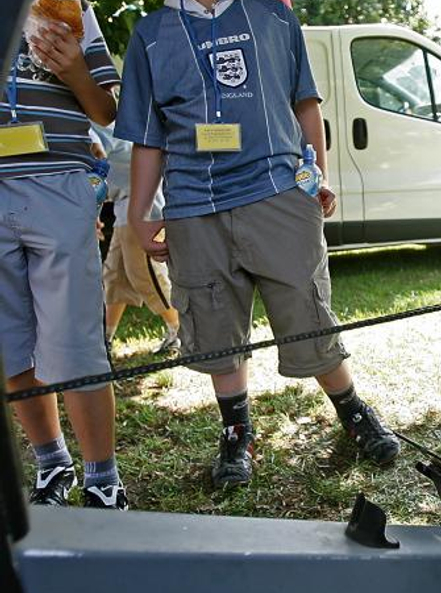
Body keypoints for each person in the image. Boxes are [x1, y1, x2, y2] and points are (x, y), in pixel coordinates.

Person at [115, 0, 400, 488]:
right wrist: (140, 214)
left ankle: (353, 412)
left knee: (306, 314)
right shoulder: (151, 33)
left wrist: (318, 180)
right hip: (193, 205)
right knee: (213, 321)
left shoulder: (271, 13)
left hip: (278, 193)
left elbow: (304, 102)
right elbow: (148, 137)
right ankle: (236, 432)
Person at [0, 2, 127, 509]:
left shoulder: (71, 6)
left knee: (73, 338)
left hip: (59, 181)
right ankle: (52, 463)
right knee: (11, 341)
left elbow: (107, 110)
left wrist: (73, 66)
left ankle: (103, 479)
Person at [90, 124, 181, 356]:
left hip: (141, 205)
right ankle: (105, 339)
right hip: (123, 203)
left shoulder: (91, 125)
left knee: (145, 273)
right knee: (115, 275)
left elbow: (96, 162)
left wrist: (91, 211)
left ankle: (181, 329)